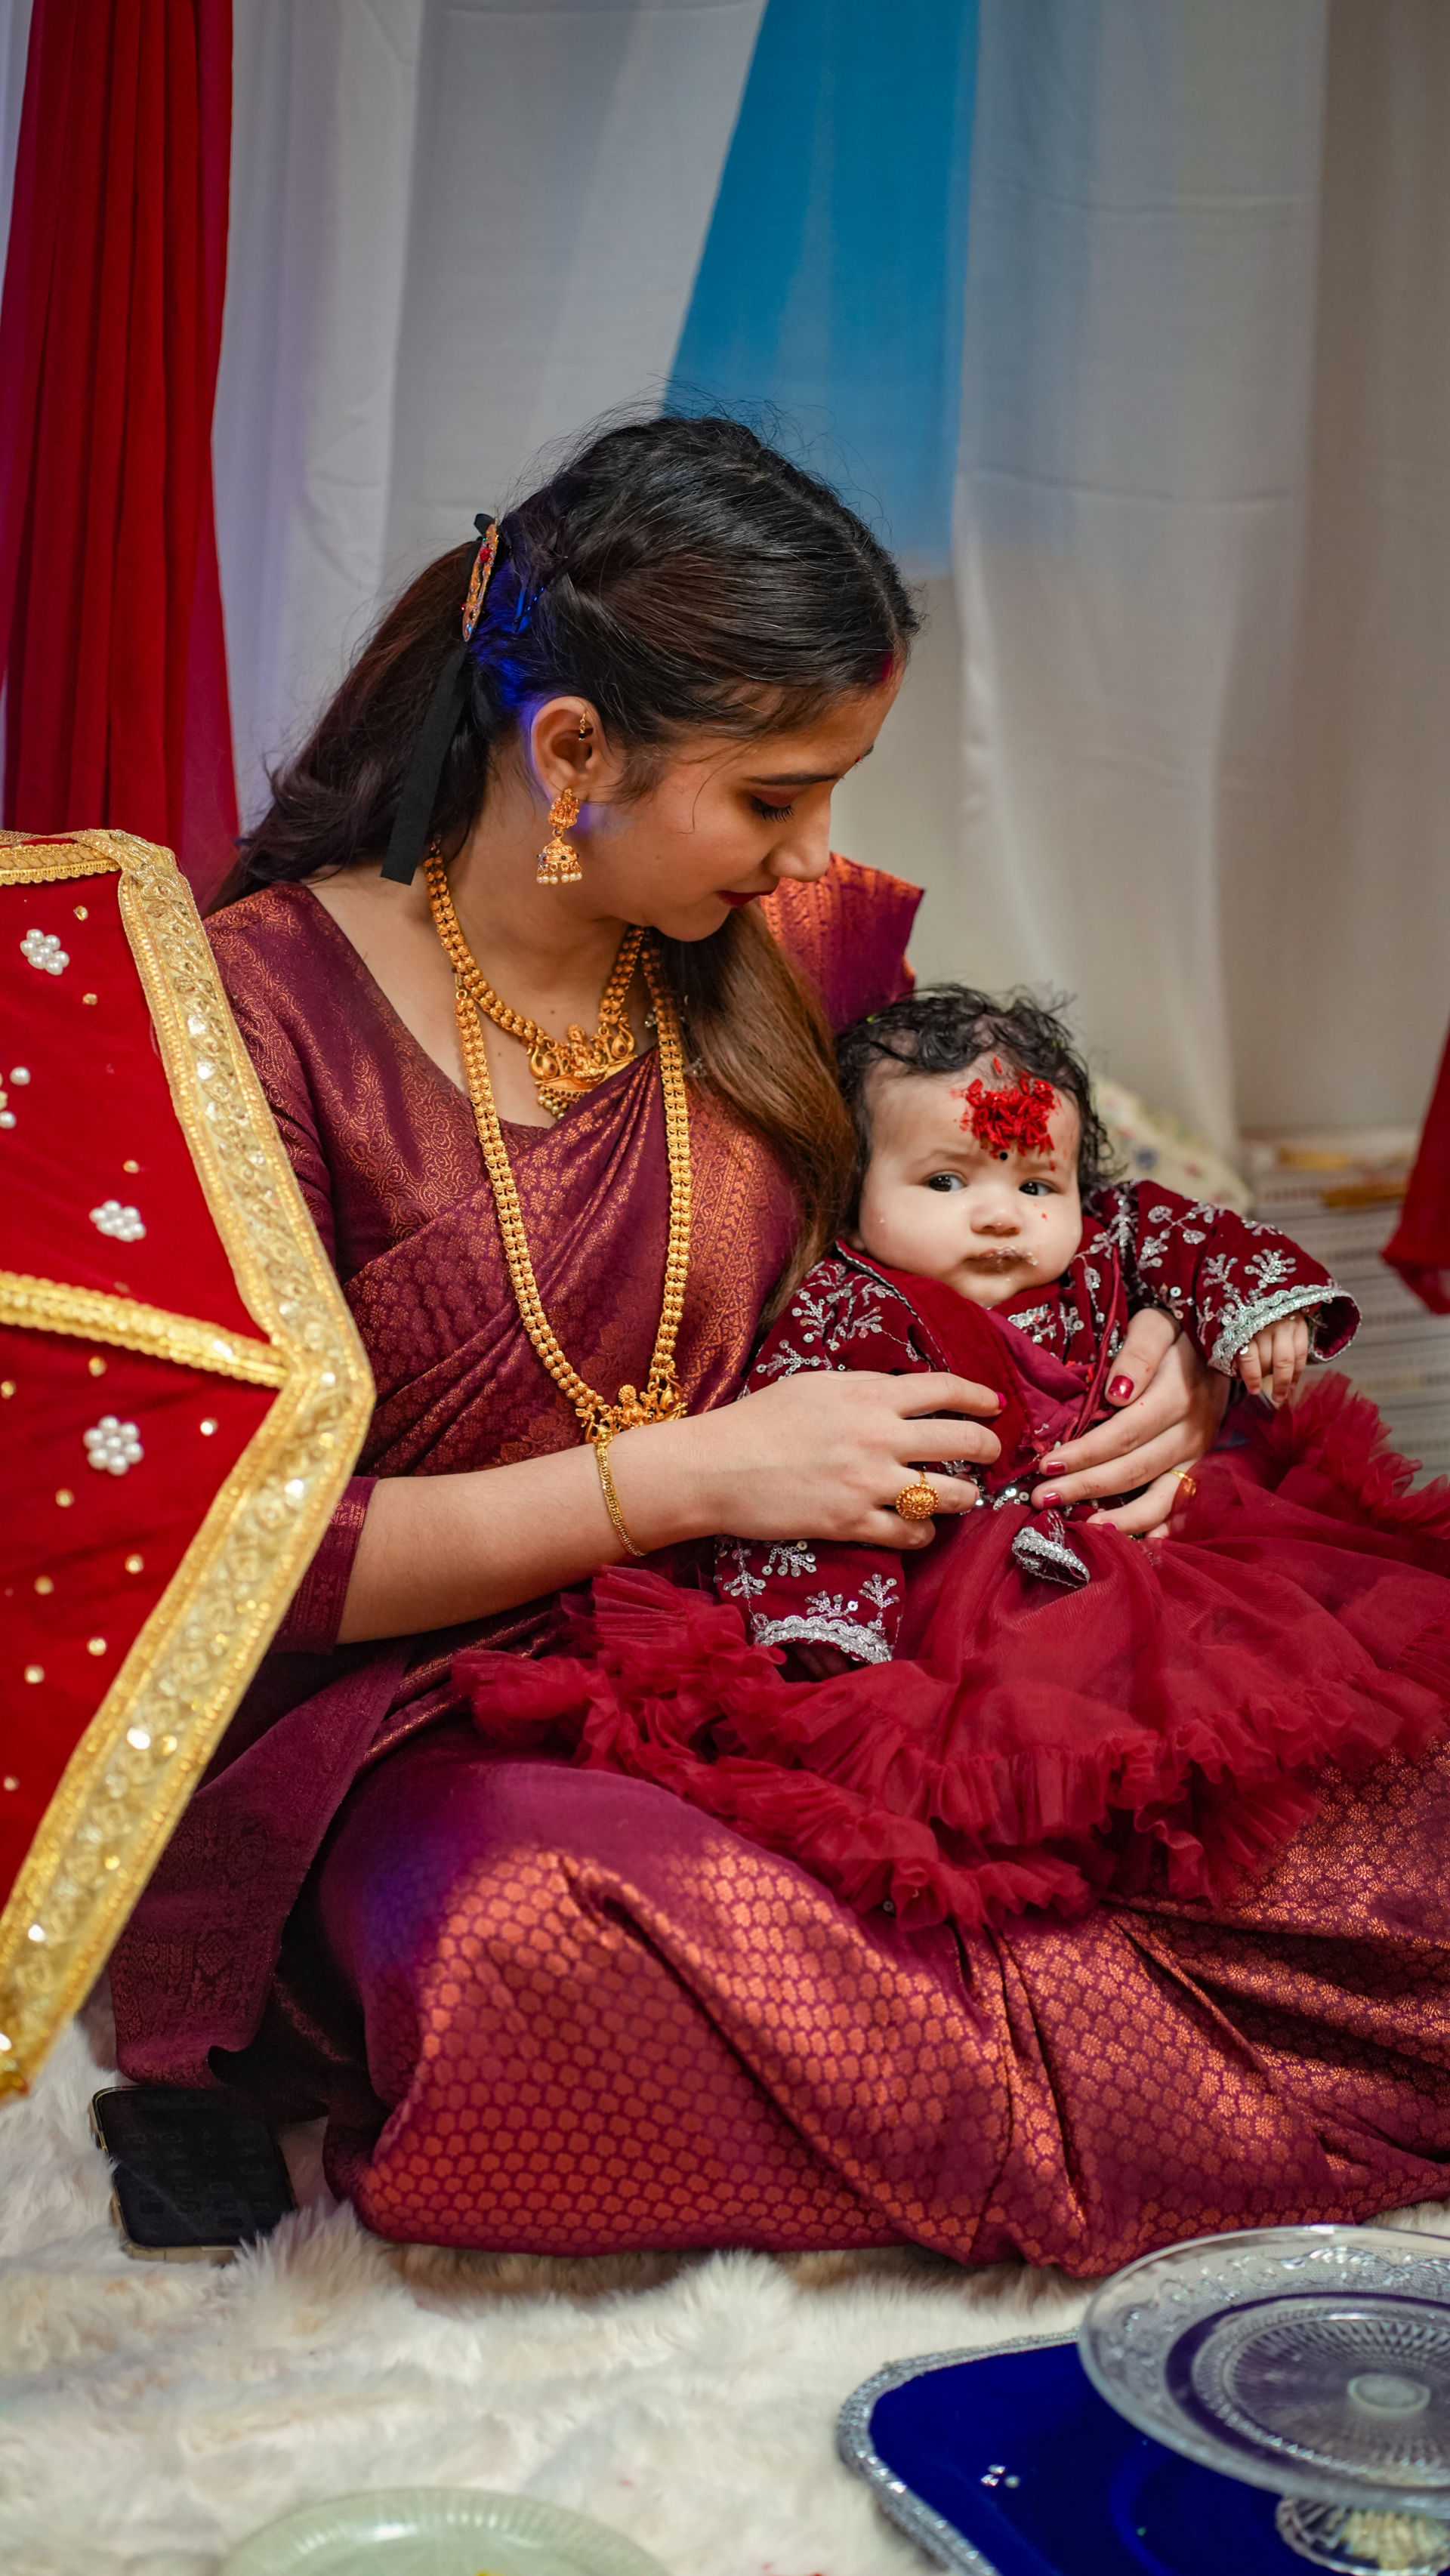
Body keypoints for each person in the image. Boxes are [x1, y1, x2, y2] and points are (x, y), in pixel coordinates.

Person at [112, 418, 1450, 2276]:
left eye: (838, 788)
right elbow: (226, 1564)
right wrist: (682, 1476)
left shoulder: (785, 950)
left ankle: (931, 2062)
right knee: (527, 1936)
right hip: (441, 1717)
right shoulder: (248, 1021)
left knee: (1389, 1792)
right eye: (771, 797)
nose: (821, 848)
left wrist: (1159, 1341)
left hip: (854, 1626)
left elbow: (988, 1178)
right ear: (572, 749)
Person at [464, 989, 1450, 1939]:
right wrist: (828, 1632)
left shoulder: (1112, 1239)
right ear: (855, 1193)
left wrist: (1260, 1315)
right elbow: (813, 1491)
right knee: (1007, 1776)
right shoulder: (854, 1307)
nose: (1000, 1215)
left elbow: (1202, 1236)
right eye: (946, 1180)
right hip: (962, 1594)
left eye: (1036, 1183)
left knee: (1298, 1721)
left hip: (1164, 1553)